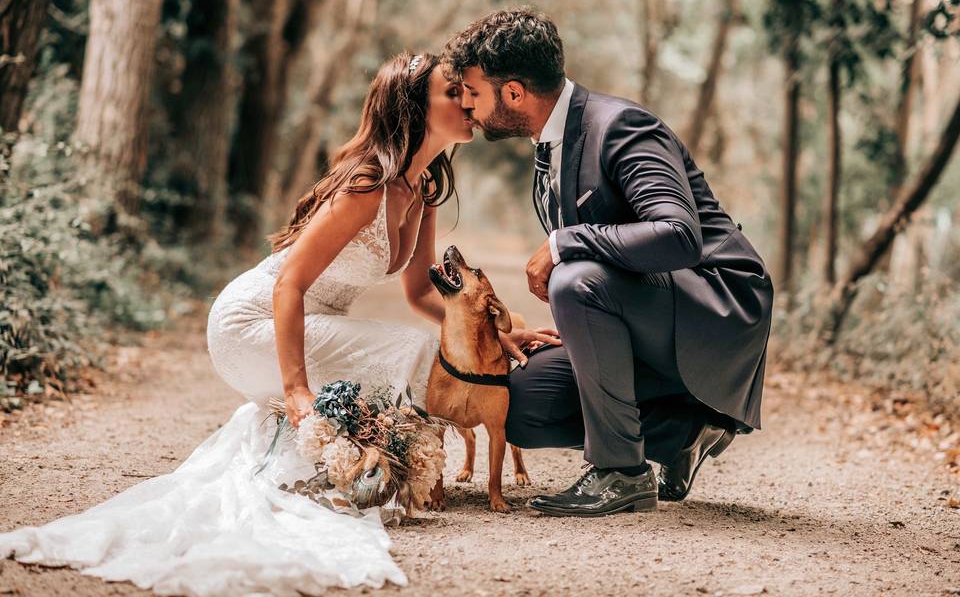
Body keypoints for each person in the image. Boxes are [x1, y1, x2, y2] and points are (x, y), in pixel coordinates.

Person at [0, 52, 558, 595]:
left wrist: (497, 335)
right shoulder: (365, 186)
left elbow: (418, 293)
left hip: (308, 321)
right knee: (409, 353)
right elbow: (289, 284)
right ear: (414, 109)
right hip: (252, 321)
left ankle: (386, 470)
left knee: (405, 349)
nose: (467, 100)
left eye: (466, 91)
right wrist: (295, 390)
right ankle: (417, 473)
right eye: (452, 91)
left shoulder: (425, 188)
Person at [443, 7, 775, 517]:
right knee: (519, 403)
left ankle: (620, 472)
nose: (467, 105)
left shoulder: (621, 127)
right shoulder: (550, 146)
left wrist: (564, 243)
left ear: (513, 92)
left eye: (473, 92)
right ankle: (681, 430)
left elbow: (678, 235)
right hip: (656, 313)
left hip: (717, 305)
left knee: (574, 279)